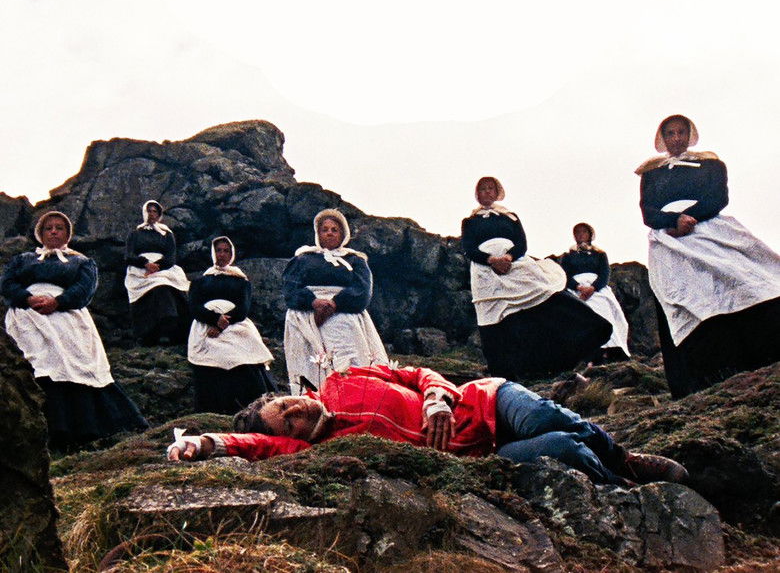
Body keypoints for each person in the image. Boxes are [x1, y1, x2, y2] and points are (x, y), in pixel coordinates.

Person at [166, 362, 688, 488]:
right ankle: (625, 488)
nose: (295, 411)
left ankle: (625, 458)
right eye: (287, 421)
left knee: (540, 414)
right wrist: (206, 443)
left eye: (286, 402)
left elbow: (419, 374)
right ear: (289, 437)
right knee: (563, 448)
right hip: (479, 454)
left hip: (480, 401)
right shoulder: (319, 451)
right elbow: (252, 445)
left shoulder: (342, 379)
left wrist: (437, 398)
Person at [637, 113, 780, 397]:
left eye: (681, 132)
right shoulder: (650, 173)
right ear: (662, 138)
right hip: (669, 238)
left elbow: (718, 197)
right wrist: (673, 221)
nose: (676, 138)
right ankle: (700, 376)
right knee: (684, 295)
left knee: (745, 279)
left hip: (710, 227)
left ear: (690, 134)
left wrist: (690, 218)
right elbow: (647, 211)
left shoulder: (711, 164)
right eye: (670, 133)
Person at [2, 210, 148, 451]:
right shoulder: (23, 259)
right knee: (38, 364)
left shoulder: (81, 262)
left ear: (67, 233)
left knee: (74, 364)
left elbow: (84, 289)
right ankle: (44, 431)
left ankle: (81, 430)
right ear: (40, 233)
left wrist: (58, 302)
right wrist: (28, 298)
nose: (53, 232)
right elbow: (7, 284)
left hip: (67, 318)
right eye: (48, 228)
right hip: (28, 318)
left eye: (59, 228)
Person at [461, 177, 612, 380]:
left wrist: (508, 257)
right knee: (495, 318)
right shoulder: (470, 221)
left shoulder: (510, 217)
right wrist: (491, 260)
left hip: (516, 266)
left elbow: (521, 243)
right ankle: (505, 374)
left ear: (497, 193)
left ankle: (564, 353)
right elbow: (468, 248)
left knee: (546, 297)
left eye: (491, 188)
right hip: (486, 273)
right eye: (482, 189)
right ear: (477, 194)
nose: (487, 192)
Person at [283, 208, 388, 394]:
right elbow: (290, 288)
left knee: (349, 363)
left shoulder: (355, 260)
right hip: (307, 318)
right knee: (310, 366)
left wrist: (335, 303)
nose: (329, 233)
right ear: (318, 233)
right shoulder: (303, 258)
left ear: (343, 234)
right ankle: (313, 401)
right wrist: (313, 302)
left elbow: (363, 290)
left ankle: (353, 399)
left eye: (334, 229)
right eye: (325, 229)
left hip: (344, 318)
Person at [188, 236, 278, 413]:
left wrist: (221, 325)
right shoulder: (200, 281)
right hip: (205, 326)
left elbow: (243, 308)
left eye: (226, 251)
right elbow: (194, 306)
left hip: (235, 325)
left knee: (245, 358)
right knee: (210, 362)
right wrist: (213, 319)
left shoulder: (241, 281)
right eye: (218, 250)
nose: (222, 254)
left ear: (231, 254)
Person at [559, 223, 630, 361]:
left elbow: (605, 273)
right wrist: (578, 287)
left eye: (584, 232)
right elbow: (564, 275)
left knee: (605, 313)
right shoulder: (568, 255)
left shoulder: (600, 254)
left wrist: (593, 288)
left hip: (597, 289)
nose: (580, 235)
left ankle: (611, 349)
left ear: (590, 234)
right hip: (576, 289)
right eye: (577, 232)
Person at [125, 199, 189, 345]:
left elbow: (171, 256)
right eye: (149, 210)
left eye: (155, 211)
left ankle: (170, 329)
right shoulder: (135, 233)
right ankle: (147, 333)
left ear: (159, 214)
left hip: (163, 268)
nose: (152, 214)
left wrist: (157, 266)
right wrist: (145, 263)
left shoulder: (166, 233)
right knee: (155, 289)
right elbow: (128, 256)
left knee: (167, 286)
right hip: (140, 270)